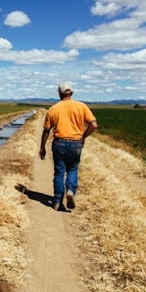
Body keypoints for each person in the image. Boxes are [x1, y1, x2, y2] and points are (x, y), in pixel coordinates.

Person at [39, 82, 98, 210]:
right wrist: (83, 136)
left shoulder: (53, 109)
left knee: (59, 172)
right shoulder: (81, 106)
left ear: (59, 94)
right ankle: (70, 191)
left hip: (59, 142)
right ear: (71, 93)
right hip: (76, 143)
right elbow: (93, 125)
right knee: (72, 169)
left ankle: (57, 201)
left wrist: (42, 147)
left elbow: (46, 130)